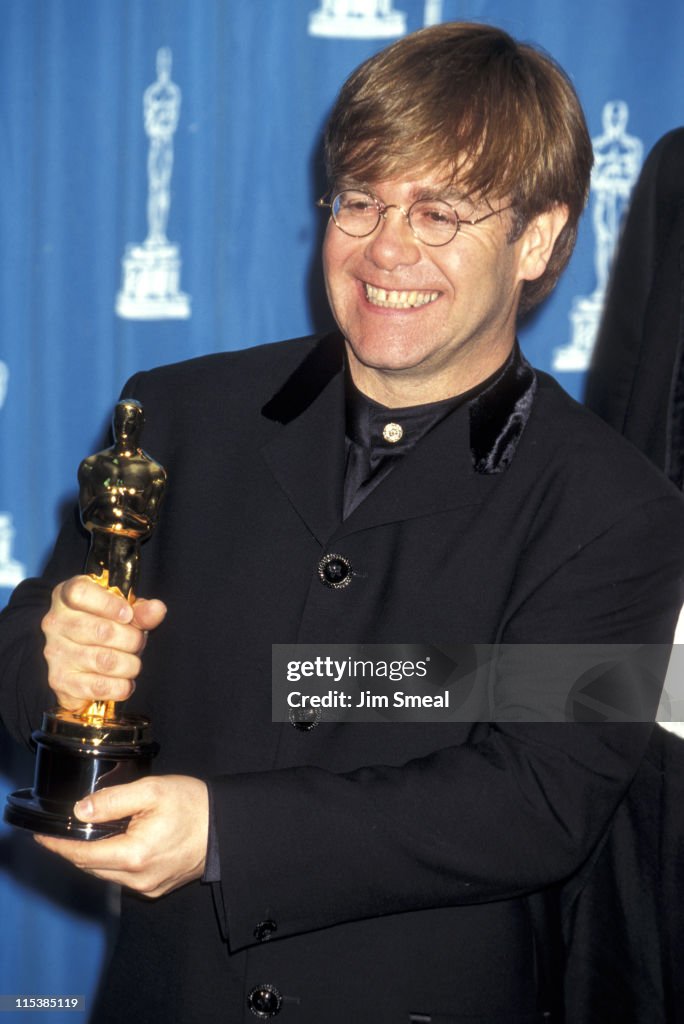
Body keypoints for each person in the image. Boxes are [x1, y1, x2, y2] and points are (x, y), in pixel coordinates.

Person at [1, 22, 684, 1023]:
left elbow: (537, 798)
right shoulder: (181, 417)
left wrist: (226, 831)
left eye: (439, 212)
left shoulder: (613, 507)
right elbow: (31, 651)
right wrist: (50, 653)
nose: (386, 248)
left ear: (537, 239)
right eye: (360, 201)